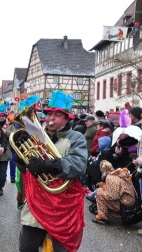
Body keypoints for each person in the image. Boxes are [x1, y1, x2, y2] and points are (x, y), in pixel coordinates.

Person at [14, 91, 87, 252]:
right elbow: (28, 170)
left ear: (67, 118)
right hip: (36, 205)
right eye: (49, 114)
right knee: (26, 248)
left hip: (63, 208)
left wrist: (48, 165)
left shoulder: (76, 138)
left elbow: (79, 165)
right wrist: (21, 160)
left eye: (57, 115)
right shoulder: (36, 136)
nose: (51, 118)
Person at [92, 161, 136, 225]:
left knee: (99, 192)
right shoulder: (118, 175)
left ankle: (103, 218)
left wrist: (103, 191)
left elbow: (114, 196)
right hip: (130, 204)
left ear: (102, 170)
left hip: (124, 206)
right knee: (103, 191)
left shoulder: (110, 177)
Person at [0, 103, 13, 196]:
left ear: (5, 116)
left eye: (3, 116)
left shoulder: (10, 125)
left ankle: (0, 187)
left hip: (5, 153)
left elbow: (14, 135)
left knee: (3, 173)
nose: (1, 117)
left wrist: (6, 132)